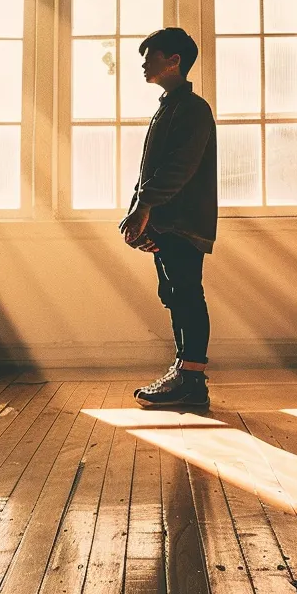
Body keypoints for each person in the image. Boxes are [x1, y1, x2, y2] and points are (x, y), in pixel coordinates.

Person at [119, 27, 217, 409]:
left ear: (174, 60)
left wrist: (144, 208)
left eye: (151, 55)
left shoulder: (192, 109)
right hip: (166, 220)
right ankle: (184, 372)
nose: (144, 63)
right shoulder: (170, 106)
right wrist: (138, 212)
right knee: (174, 294)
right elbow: (151, 170)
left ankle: (192, 379)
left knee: (187, 294)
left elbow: (179, 168)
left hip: (182, 222)